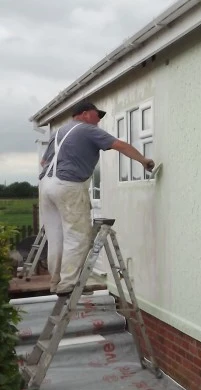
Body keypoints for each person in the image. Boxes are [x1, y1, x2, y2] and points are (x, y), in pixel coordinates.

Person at [38, 100, 155, 295]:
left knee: (56, 237)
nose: (98, 121)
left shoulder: (58, 132)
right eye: (96, 115)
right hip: (69, 185)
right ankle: (68, 285)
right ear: (84, 114)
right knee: (78, 236)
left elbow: (44, 162)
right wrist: (144, 160)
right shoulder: (87, 129)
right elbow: (119, 145)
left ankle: (56, 282)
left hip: (47, 185)